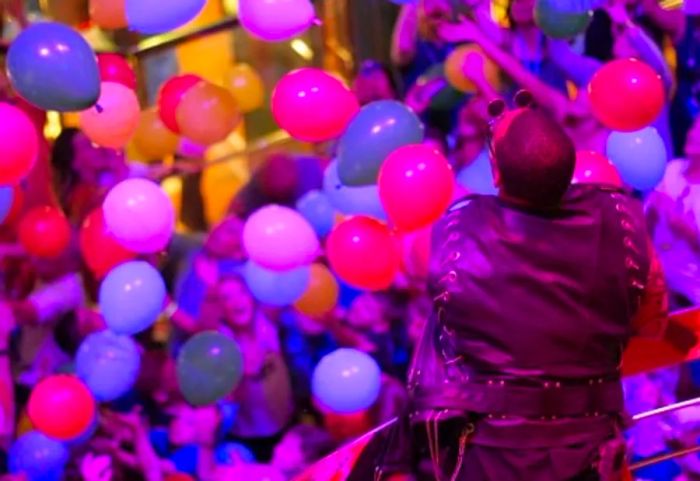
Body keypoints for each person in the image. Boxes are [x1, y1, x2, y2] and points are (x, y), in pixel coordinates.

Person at [372, 100, 669, 481]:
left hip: (493, 456)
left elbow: (411, 265)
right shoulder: (625, 223)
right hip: (589, 452)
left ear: (495, 173)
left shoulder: (451, 235)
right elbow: (652, 327)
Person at [646, 116, 700, 307]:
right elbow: (648, 224)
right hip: (660, 274)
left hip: (692, 287)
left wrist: (683, 227)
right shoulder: (672, 169)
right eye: (693, 127)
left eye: (699, 132)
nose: (692, 134)